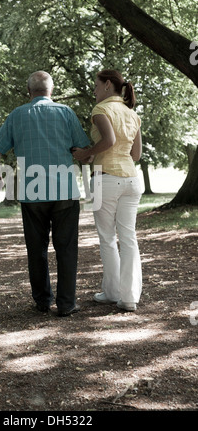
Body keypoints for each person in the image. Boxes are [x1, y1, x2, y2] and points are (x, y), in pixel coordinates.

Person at [0, 71, 90, 316]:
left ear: (29, 91)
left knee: (37, 250)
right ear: (51, 90)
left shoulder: (17, 115)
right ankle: (66, 304)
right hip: (64, 191)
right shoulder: (65, 112)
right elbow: (84, 149)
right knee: (66, 249)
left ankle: (43, 301)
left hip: (32, 194)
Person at [73, 69, 142, 312]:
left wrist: (85, 153)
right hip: (132, 179)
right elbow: (136, 154)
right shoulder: (132, 114)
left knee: (107, 239)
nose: (93, 90)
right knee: (128, 238)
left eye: (95, 85)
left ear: (107, 85)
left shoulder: (100, 110)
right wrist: (98, 153)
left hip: (105, 180)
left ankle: (112, 293)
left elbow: (109, 141)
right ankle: (130, 297)